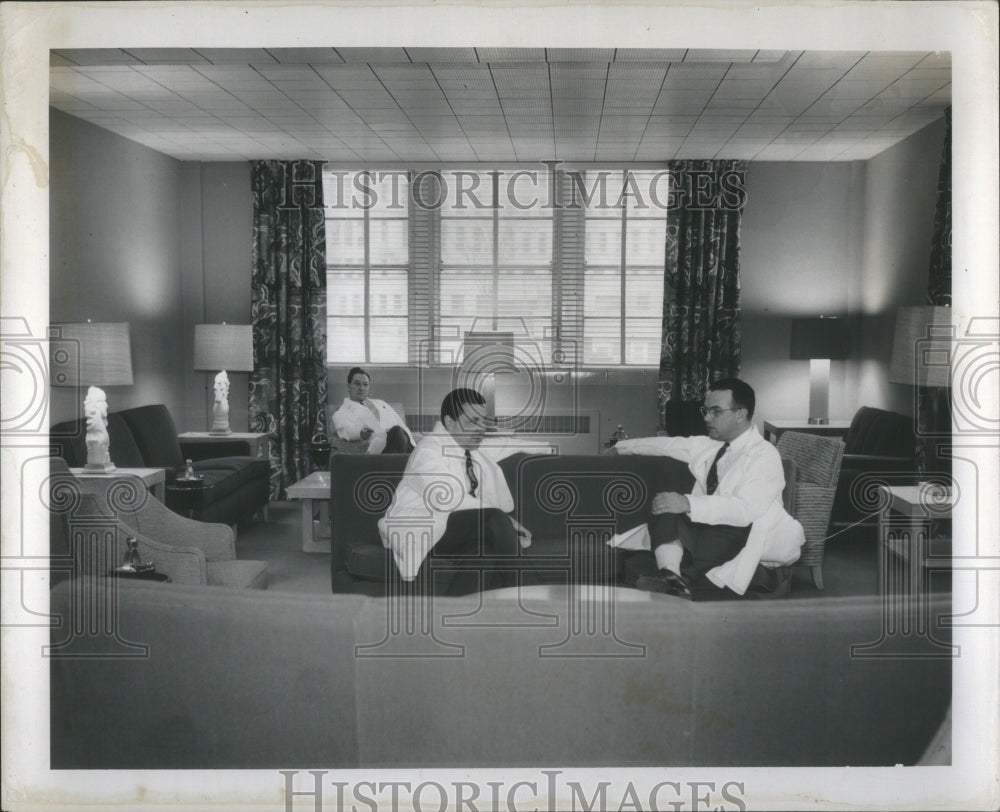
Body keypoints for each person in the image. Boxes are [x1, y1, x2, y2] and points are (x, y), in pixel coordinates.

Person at [607, 377, 804, 600]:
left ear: (740, 414)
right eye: (706, 410)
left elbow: (745, 510)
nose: (707, 418)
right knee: (664, 505)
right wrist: (620, 448)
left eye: (716, 411)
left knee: (687, 511)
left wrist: (687, 503)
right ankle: (671, 577)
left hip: (741, 536)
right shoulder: (711, 445)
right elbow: (667, 444)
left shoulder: (765, 455)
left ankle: (684, 581)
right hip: (708, 532)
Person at [377, 388, 534, 596]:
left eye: (483, 421)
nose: (482, 429)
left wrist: (547, 448)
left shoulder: (468, 450)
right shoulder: (429, 449)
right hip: (423, 527)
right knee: (493, 517)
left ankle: (451, 615)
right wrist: (506, 522)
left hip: (453, 531)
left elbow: (506, 444)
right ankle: (529, 591)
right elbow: (447, 499)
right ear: (450, 423)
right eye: (473, 421)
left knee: (483, 554)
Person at [332, 367, 415, 454]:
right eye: (357, 384)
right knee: (397, 432)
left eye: (365, 384)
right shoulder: (341, 413)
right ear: (348, 386)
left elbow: (401, 424)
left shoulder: (381, 403)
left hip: (402, 442)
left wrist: (413, 443)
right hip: (381, 451)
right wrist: (360, 433)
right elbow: (346, 431)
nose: (362, 388)